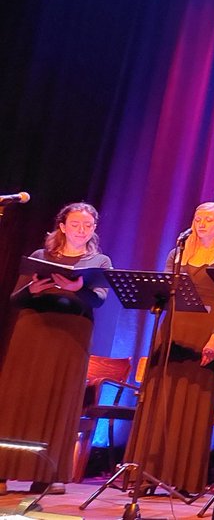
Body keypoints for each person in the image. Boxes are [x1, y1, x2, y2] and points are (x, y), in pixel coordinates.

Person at [125, 201, 214, 495]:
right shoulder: (177, 254)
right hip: (172, 329)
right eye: (198, 218)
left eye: (209, 219)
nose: (202, 224)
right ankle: (147, 475)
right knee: (160, 401)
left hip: (205, 332)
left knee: (192, 404)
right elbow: (164, 288)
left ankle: (185, 478)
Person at [0, 202, 112, 496]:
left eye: (88, 225)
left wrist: (78, 289)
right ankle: (3, 470)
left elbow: (99, 300)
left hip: (72, 336)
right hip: (34, 331)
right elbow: (15, 299)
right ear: (62, 226)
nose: (81, 230)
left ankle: (48, 475)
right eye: (75, 224)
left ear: (94, 229)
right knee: (19, 398)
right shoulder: (41, 256)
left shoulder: (100, 261)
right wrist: (32, 290)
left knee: (60, 401)